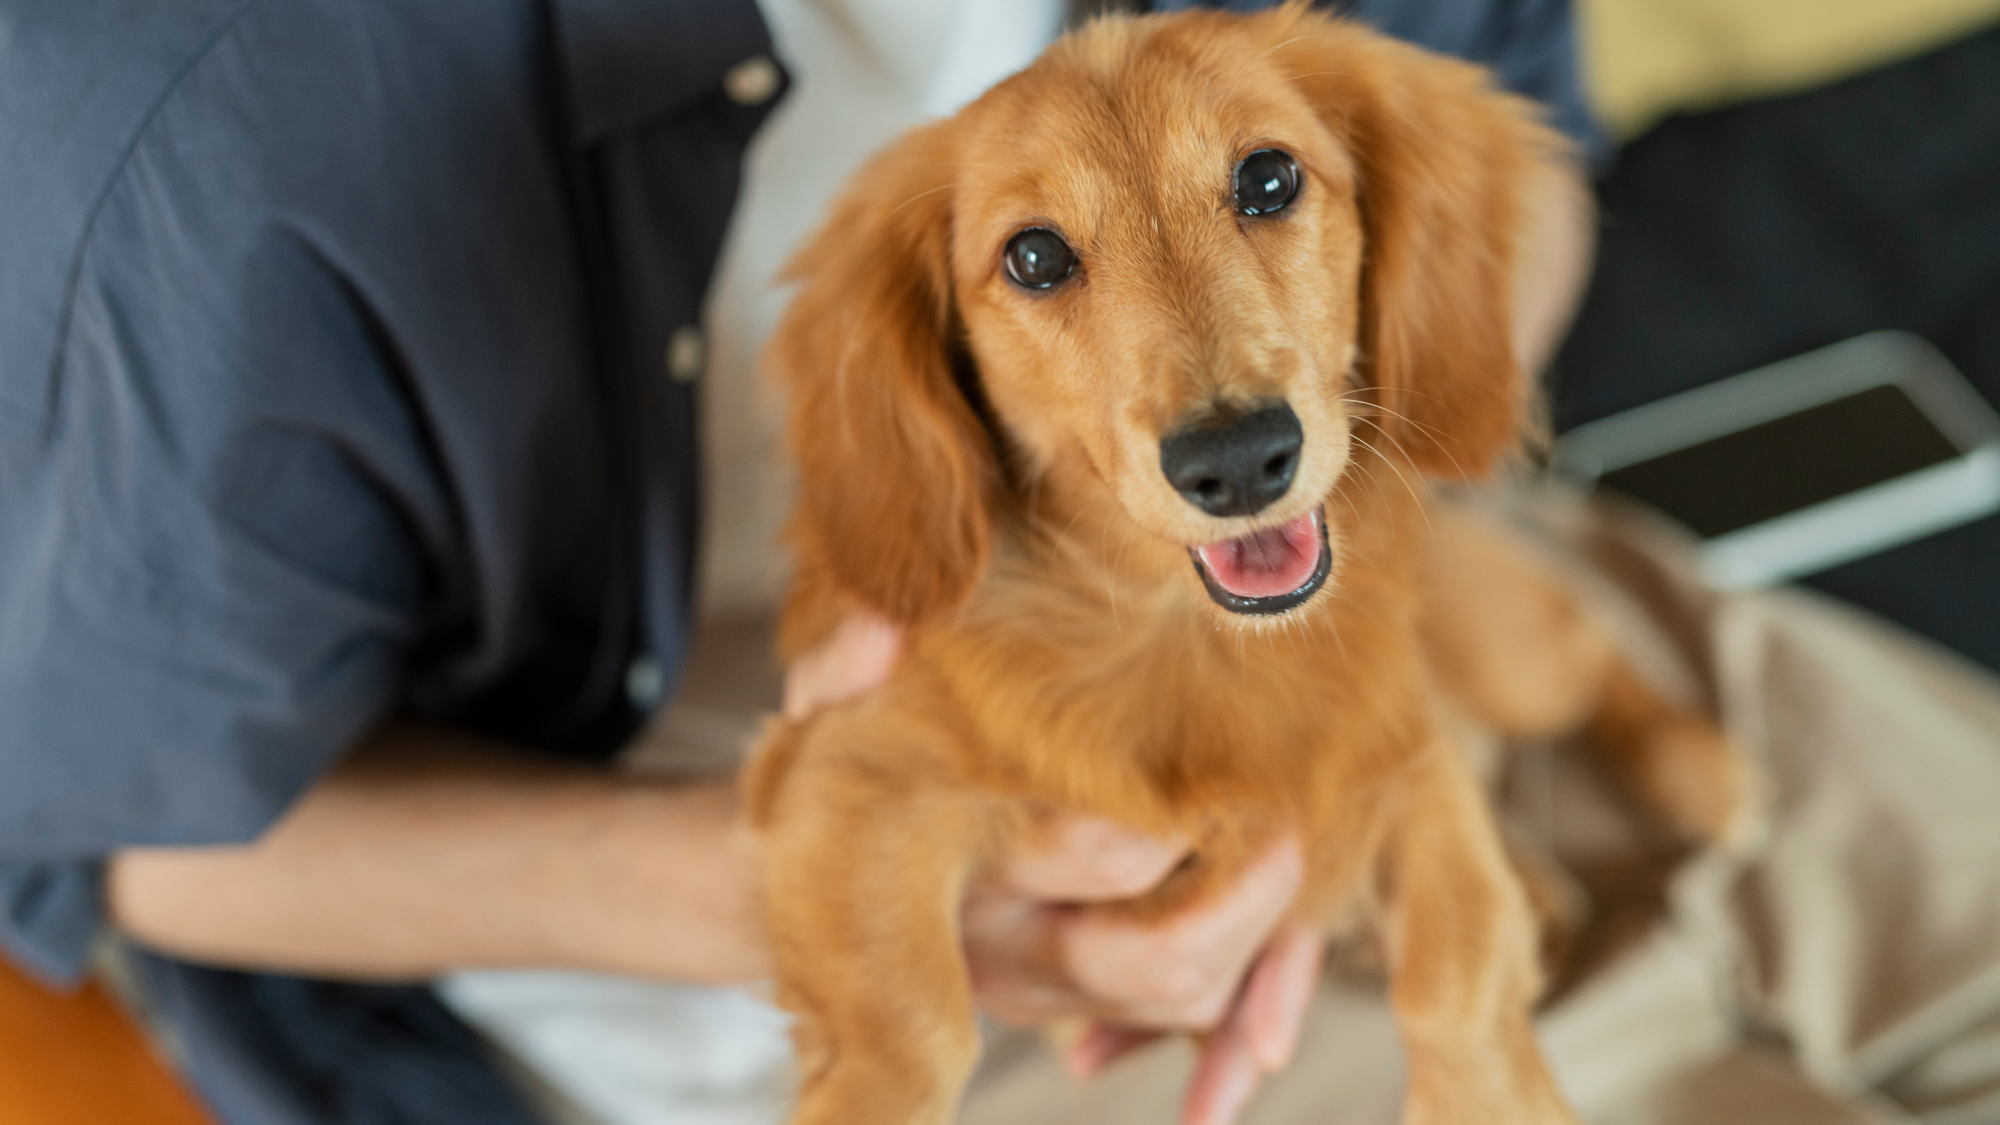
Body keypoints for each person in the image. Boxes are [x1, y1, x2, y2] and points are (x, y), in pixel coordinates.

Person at [0, 1, 1601, 1122]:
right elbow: (114, 837)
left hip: (1402, 596)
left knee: (1823, 852)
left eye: (1265, 182)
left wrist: (1357, 513)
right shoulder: (203, 120)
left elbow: (1524, 172)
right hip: (775, 993)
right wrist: (823, 897)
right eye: (1036, 262)